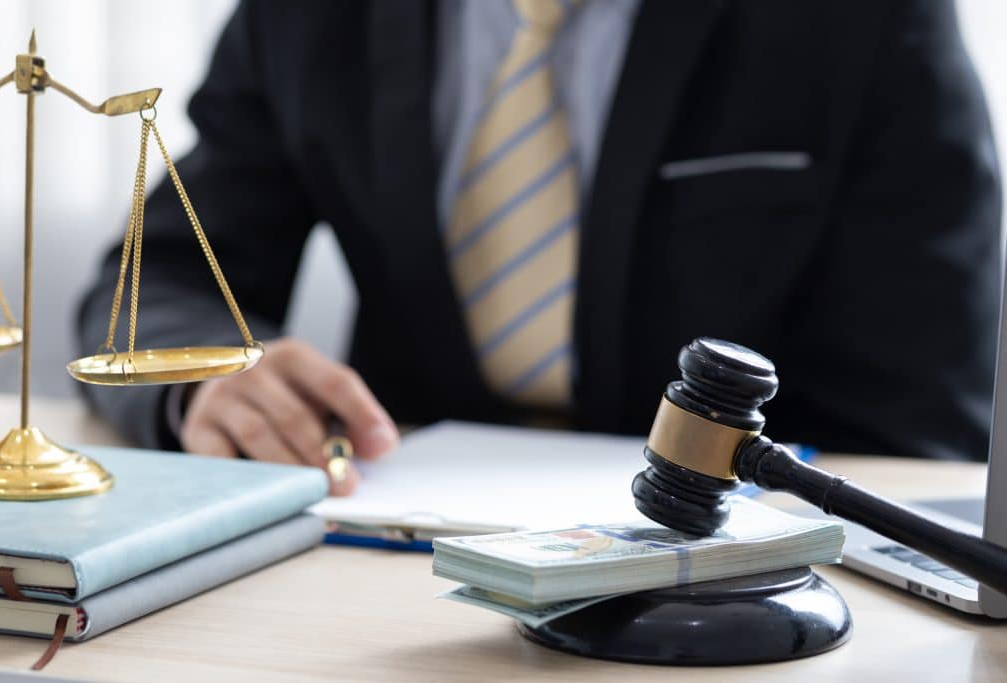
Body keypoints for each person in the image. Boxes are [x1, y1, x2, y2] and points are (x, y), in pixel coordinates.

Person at [77, 0, 1002, 494]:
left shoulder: (866, 18)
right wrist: (207, 380)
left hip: (741, 583)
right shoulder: (312, 16)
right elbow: (155, 281)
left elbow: (922, 423)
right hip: (383, 552)